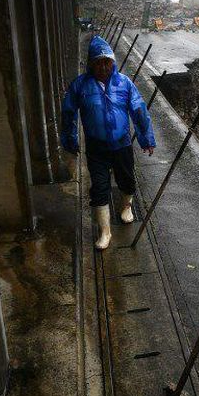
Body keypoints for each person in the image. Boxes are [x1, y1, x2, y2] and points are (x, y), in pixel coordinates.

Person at [61, 35, 156, 250]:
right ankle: (105, 232)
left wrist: (146, 138)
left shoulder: (124, 83)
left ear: (112, 62)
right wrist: (70, 140)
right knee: (100, 187)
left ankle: (126, 205)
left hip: (121, 144)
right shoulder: (80, 86)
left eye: (107, 62)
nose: (103, 67)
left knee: (126, 179)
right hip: (96, 147)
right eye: (98, 62)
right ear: (91, 64)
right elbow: (68, 113)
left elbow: (139, 110)